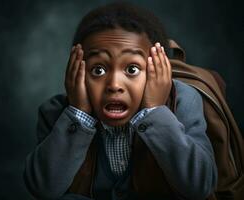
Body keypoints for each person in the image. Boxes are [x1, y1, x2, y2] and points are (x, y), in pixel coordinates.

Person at [24, 2, 218, 200]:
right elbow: (43, 189)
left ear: (157, 72)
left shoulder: (182, 101)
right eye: (98, 70)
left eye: (132, 69)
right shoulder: (57, 114)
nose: (114, 85)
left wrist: (155, 111)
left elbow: (200, 187)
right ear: (77, 72)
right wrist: (78, 113)